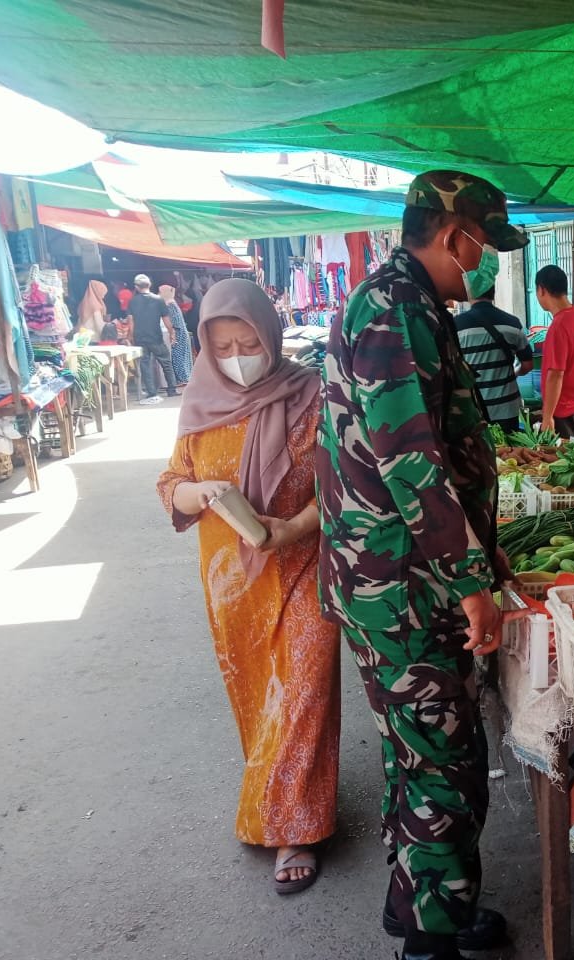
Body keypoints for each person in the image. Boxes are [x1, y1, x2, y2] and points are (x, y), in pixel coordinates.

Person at [316, 170, 528, 960]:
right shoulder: (396, 308)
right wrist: (471, 585)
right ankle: (431, 940)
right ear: (452, 235)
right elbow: (411, 462)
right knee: (444, 758)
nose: (484, 262)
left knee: (417, 750)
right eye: (482, 245)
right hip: (402, 584)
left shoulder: (407, 301)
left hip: (398, 574)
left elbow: (435, 446)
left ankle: (423, 902)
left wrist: (482, 539)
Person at [155, 278, 340, 896]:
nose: (237, 357)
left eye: (248, 343)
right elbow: (171, 483)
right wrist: (199, 492)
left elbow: (341, 487)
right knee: (263, 700)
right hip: (232, 582)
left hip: (303, 562)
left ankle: (295, 829)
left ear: (271, 334)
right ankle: (282, 795)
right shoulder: (199, 402)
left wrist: (292, 528)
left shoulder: (311, 395)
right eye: (223, 347)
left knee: (305, 691)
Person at [453, 284, 533, 434]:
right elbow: (528, 365)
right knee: (510, 449)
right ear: (494, 292)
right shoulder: (512, 323)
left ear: (470, 294)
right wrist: (514, 373)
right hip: (507, 409)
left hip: (473, 409)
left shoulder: (455, 326)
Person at [535, 264, 574, 438]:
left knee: (564, 453)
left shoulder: (558, 325)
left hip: (565, 408)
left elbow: (556, 374)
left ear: (541, 290)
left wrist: (547, 416)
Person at [128, 274, 179, 404]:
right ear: (149, 285)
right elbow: (166, 319)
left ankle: (152, 392)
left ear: (136, 287)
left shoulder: (132, 301)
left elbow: (131, 322)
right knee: (166, 363)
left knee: (145, 365)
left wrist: (131, 337)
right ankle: (172, 389)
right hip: (156, 337)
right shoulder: (159, 300)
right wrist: (172, 332)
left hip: (140, 338)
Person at [159, 283, 194, 386]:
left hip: (178, 333)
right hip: (180, 332)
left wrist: (172, 333)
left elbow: (175, 322)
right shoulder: (171, 303)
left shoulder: (170, 305)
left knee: (178, 356)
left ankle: (182, 378)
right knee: (182, 356)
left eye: (160, 292)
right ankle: (184, 377)